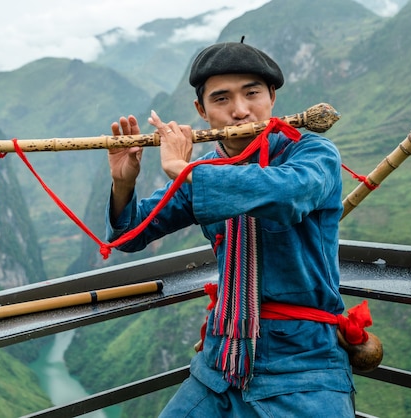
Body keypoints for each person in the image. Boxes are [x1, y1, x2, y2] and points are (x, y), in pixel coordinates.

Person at [105, 39, 355, 417]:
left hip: (303, 367)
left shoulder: (314, 154)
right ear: (201, 111)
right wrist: (124, 181)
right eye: (221, 99)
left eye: (252, 93)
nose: (240, 111)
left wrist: (183, 171)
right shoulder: (205, 169)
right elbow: (131, 234)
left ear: (272, 96)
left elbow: (286, 197)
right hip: (220, 366)